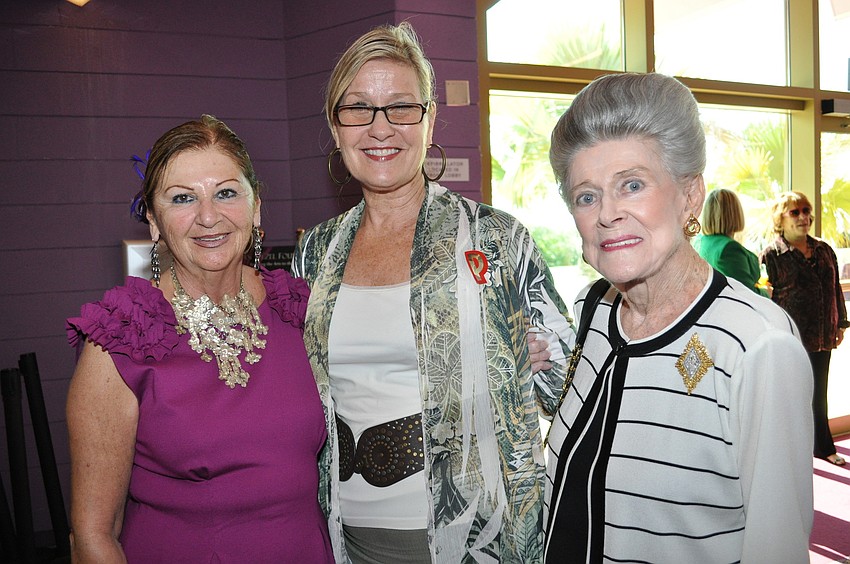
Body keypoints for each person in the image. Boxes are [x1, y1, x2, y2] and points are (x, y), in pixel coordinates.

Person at [291, 22, 575, 563]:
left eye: (401, 107)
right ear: (335, 126)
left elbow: (568, 386)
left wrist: (536, 357)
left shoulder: (494, 239)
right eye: (358, 108)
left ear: (430, 118)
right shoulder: (318, 252)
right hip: (347, 534)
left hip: (478, 536)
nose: (380, 128)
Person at [545, 73, 813, 563]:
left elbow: (776, 549)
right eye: (586, 195)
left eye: (632, 184)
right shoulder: (590, 311)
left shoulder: (756, 346)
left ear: (690, 195)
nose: (607, 213)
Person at [65, 115, 333, 562]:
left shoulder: (299, 310)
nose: (209, 216)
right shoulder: (120, 339)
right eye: (183, 198)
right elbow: (93, 536)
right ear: (153, 221)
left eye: (226, 193)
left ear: (257, 207)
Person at [761, 191, 849, 466]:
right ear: (780, 219)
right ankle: (785, 454)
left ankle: (822, 447)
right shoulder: (771, 255)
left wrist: (842, 323)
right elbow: (766, 299)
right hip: (789, 339)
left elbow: (834, 288)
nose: (803, 217)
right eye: (794, 212)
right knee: (788, 395)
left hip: (822, 335)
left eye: (806, 210)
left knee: (818, 393)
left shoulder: (824, 250)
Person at [695, 188, 769, 296]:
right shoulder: (729, 248)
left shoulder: (700, 242)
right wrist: (766, 292)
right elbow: (745, 294)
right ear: (735, 213)